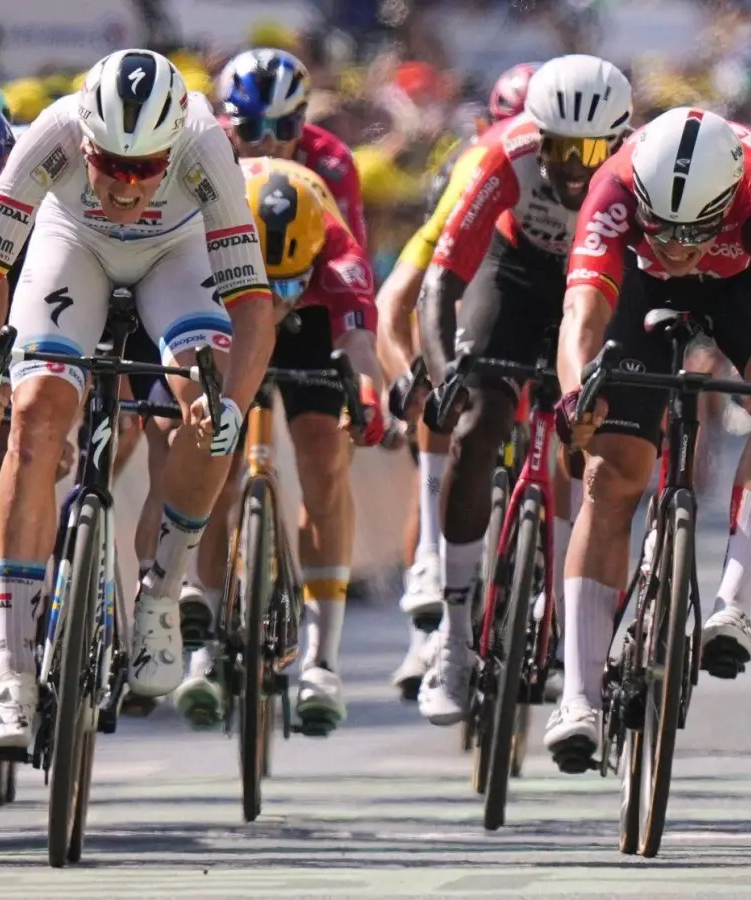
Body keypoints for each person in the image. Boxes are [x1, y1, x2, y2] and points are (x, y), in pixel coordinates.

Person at [0, 49, 276, 750]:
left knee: (206, 398)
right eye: (112, 165)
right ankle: (14, 670)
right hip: (74, 246)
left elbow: (251, 308)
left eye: (146, 167)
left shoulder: (205, 145)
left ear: (171, 148)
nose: (128, 185)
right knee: (32, 419)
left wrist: (234, 407)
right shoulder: (53, 134)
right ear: (85, 139)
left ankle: (160, 594)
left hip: (176, 258)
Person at [543, 107, 751, 768]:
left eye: (691, 230)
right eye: (660, 227)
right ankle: (577, 696)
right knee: (611, 477)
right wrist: (576, 397)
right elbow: (582, 314)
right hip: (638, 296)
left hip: (738, 289)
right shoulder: (613, 186)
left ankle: (731, 603)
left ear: (725, 202)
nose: (673, 245)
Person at [413, 54, 632, 726]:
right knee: (480, 425)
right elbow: (440, 282)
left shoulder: (637, 174)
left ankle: (581, 627)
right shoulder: (507, 156)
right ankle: (452, 637)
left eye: (590, 152)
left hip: (596, 289)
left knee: (606, 449)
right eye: (559, 149)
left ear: (620, 143)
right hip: (512, 280)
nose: (571, 167)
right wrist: (448, 370)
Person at [170, 155, 386, 733]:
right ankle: (203, 639)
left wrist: (367, 400)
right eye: (270, 285)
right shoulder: (205, 235)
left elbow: (361, 347)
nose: (278, 299)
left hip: (310, 333)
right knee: (213, 447)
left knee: (324, 455)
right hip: (226, 308)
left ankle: (323, 660)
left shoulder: (338, 252)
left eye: (288, 285)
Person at [376, 60, 538, 699]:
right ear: (484, 131)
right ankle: (429, 588)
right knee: (442, 416)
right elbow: (399, 304)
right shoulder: (475, 168)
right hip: (473, 294)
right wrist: (408, 388)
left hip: (539, 300)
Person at [218, 48, 365, 247]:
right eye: (251, 129)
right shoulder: (207, 147)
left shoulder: (331, 160)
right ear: (229, 125)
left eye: (284, 128)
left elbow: (350, 249)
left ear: (302, 123)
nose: (269, 144)